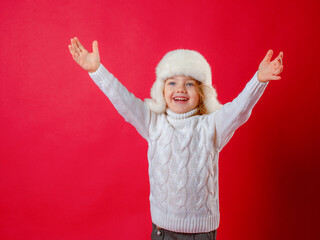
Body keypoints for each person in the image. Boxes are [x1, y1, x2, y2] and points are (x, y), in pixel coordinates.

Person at [68, 37, 284, 240]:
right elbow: (123, 100)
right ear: (161, 91)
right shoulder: (153, 123)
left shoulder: (212, 126)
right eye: (172, 83)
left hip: (201, 233)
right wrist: (97, 70)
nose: (180, 88)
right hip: (163, 231)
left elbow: (240, 109)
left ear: (201, 93)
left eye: (189, 84)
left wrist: (259, 80)